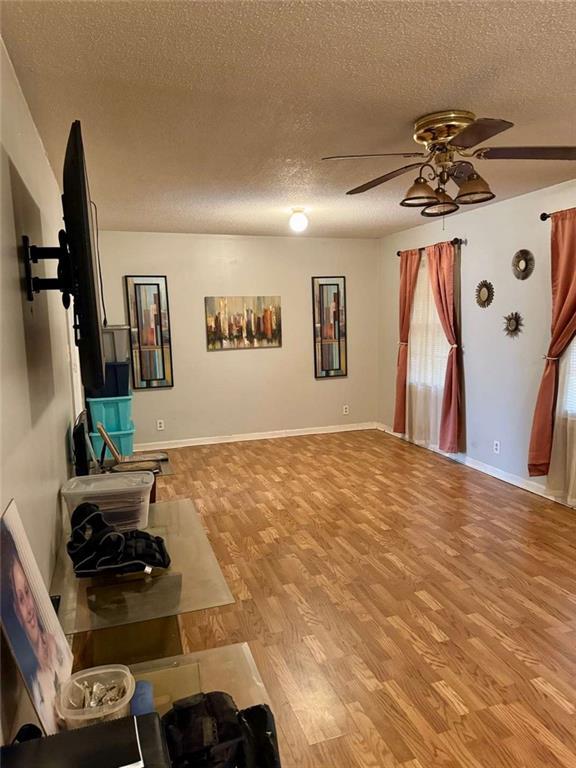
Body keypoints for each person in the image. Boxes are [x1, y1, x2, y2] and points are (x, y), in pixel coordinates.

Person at [1, 523, 69, 733]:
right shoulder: (37, 687)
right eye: (20, 599)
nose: (29, 608)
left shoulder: (57, 646)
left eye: (27, 593)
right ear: (14, 611)